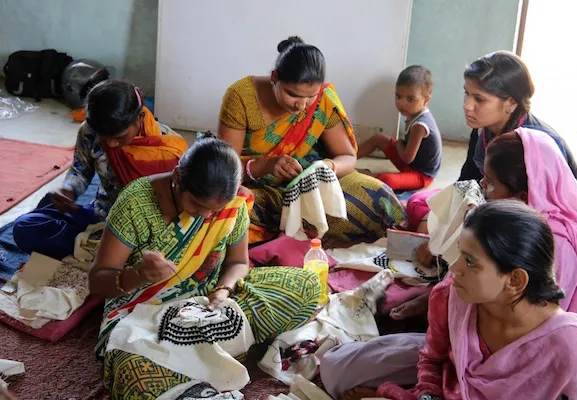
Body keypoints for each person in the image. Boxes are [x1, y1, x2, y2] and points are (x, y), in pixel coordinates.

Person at [89, 135, 320, 399]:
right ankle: (214, 357)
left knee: (306, 285)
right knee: (135, 377)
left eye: (216, 209)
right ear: (177, 177)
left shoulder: (231, 203)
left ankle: (199, 359)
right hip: (142, 318)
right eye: (198, 205)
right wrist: (138, 274)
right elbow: (97, 282)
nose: (207, 216)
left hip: (204, 306)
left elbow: (238, 262)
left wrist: (224, 290)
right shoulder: (137, 203)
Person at [320, 201, 577, 400]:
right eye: (458, 254)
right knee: (334, 370)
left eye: (470, 262)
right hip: (448, 388)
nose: (454, 269)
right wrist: (427, 395)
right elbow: (432, 359)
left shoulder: (565, 345)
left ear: (515, 280)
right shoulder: (452, 295)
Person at [391, 129, 577, 345]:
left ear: (521, 198)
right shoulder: (512, 221)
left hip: (511, 349)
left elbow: (520, 327)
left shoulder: (554, 248)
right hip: (486, 325)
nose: (481, 184)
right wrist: (434, 300)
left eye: (490, 182)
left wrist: (442, 309)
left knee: (388, 352)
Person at [218, 36, 407, 244]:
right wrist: (267, 165)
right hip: (259, 187)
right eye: (293, 94)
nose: (302, 105)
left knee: (379, 198)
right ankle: (307, 235)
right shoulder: (241, 97)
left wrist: (325, 168)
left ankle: (296, 235)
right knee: (229, 213)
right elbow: (225, 171)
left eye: (310, 97)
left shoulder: (322, 99)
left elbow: (347, 157)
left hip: (310, 184)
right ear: (274, 77)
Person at [12, 78, 188, 260]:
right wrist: (69, 190)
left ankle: (99, 252)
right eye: (104, 137)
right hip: (101, 215)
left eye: (119, 137)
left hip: (140, 230)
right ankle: (103, 253)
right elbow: (80, 170)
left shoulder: (169, 148)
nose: (111, 143)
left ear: (139, 119)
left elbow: (178, 207)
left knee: (166, 253)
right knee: (24, 226)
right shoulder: (90, 131)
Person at [406, 50, 577, 231]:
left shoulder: (536, 146)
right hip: (488, 202)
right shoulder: (482, 128)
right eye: (467, 93)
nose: (467, 105)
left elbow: (540, 215)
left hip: (524, 222)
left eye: (479, 99)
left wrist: (463, 222)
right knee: (418, 203)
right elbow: (468, 180)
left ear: (511, 103)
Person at [357, 65, 442, 191]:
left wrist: (398, 143)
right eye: (398, 96)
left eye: (410, 99)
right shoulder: (413, 114)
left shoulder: (420, 125)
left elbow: (407, 158)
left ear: (426, 100)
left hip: (422, 175)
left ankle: (357, 174)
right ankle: (349, 158)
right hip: (411, 165)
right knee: (380, 138)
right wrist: (399, 144)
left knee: (387, 180)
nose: (402, 103)